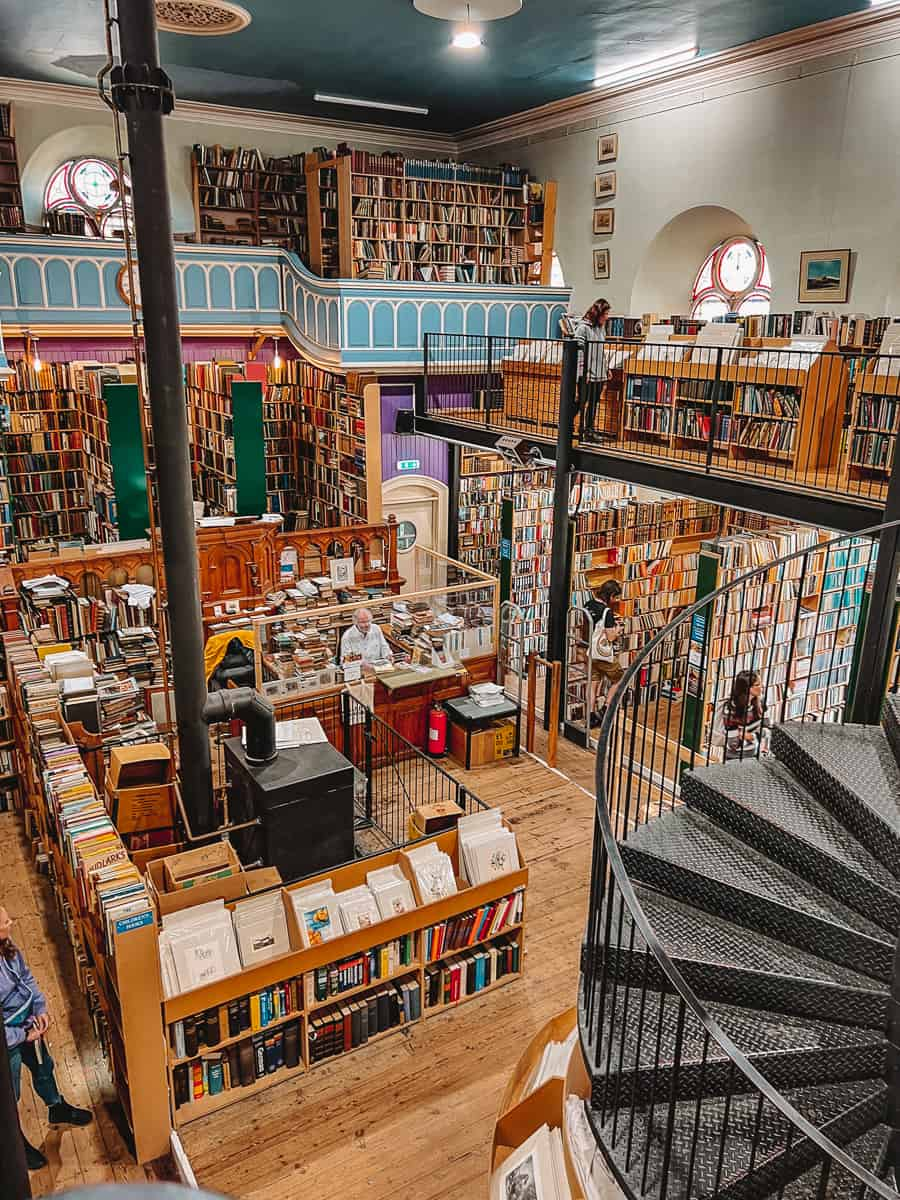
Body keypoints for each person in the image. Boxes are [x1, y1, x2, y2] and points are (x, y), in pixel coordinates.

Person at [1, 904, 92, 1171]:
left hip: (30, 1024)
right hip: (12, 1037)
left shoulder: (7, 945)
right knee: (11, 1094)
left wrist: (39, 1009)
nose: (11, 923)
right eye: (5, 922)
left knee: (44, 1067)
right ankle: (16, 1144)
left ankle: (57, 1107)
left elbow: (26, 978)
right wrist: (22, 1035)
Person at [585, 579, 626, 725]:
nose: (616, 600)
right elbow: (610, 637)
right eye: (615, 597)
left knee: (593, 683)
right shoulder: (607, 612)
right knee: (620, 679)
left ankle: (590, 716)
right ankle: (605, 708)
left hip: (591, 652)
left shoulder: (588, 604)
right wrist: (617, 629)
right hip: (603, 655)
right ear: (610, 595)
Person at [574, 298, 611, 443]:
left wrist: (606, 368)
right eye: (605, 314)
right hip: (587, 374)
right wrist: (584, 372)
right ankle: (566, 423)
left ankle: (589, 430)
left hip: (600, 373)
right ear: (598, 313)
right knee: (581, 402)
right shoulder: (583, 328)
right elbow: (579, 352)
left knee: (594, 403)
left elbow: (601, 350)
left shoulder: (601, 328)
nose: (607, 317)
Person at [719, 670, 770, 760]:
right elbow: (733, 743)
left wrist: (751, 736)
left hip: (754, 753)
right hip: (733, 757)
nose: (762, 686)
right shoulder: (731, 708)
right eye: (757, 685)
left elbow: (767, 729)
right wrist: (756, 734)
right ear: (747, 688)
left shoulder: (761, 703)